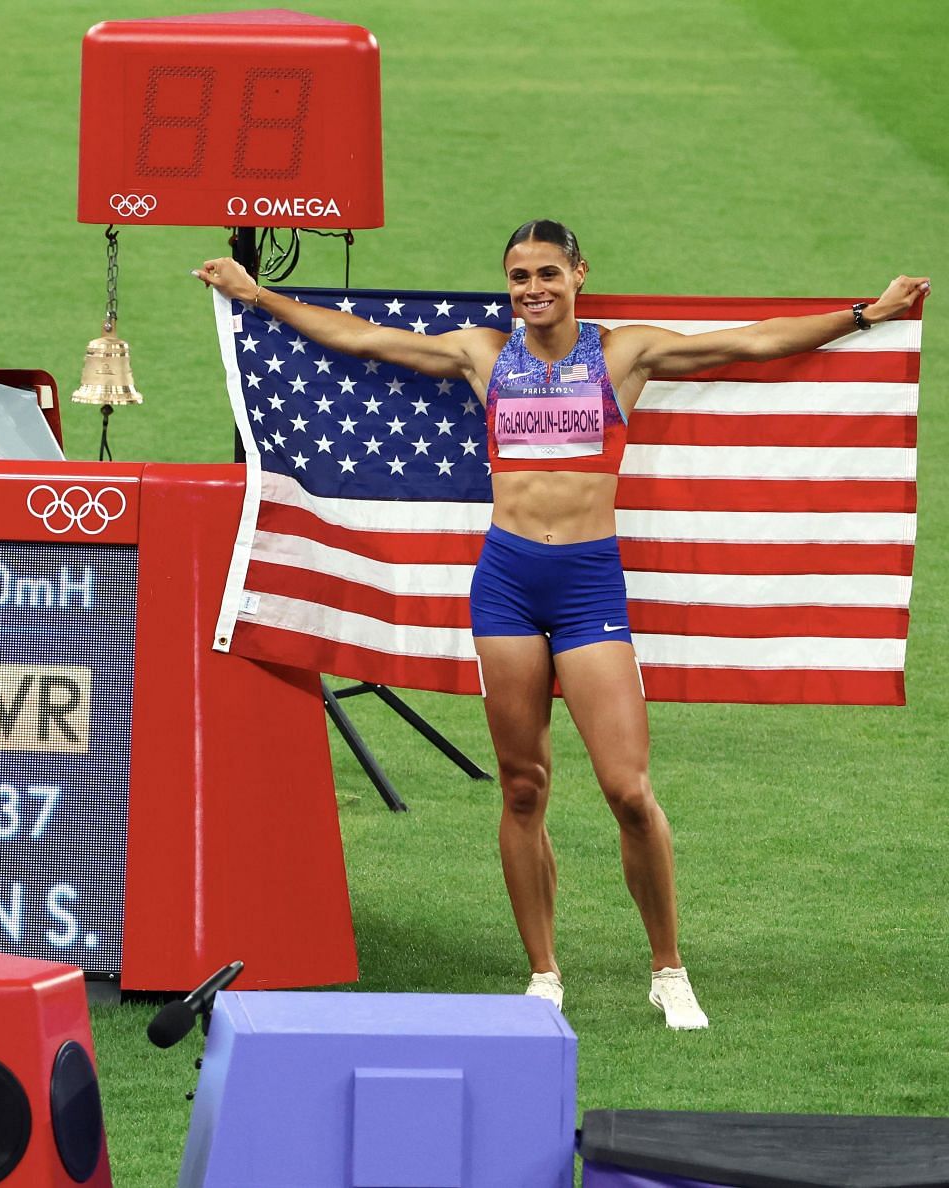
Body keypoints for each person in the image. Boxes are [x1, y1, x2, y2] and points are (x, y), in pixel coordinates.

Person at [195, 222, 927, 1029]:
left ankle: (669, 967)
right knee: (521, 788)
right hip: (506, 585)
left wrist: (867, 314)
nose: (532, 288)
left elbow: (753, 343)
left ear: (580, 273)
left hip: (587, 588)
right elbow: (368, 341)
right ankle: (543, 973)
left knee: (629, 790)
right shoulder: (481, 354)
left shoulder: (625, 354)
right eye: (518, 276)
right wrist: (257, 294)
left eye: (547, 272)